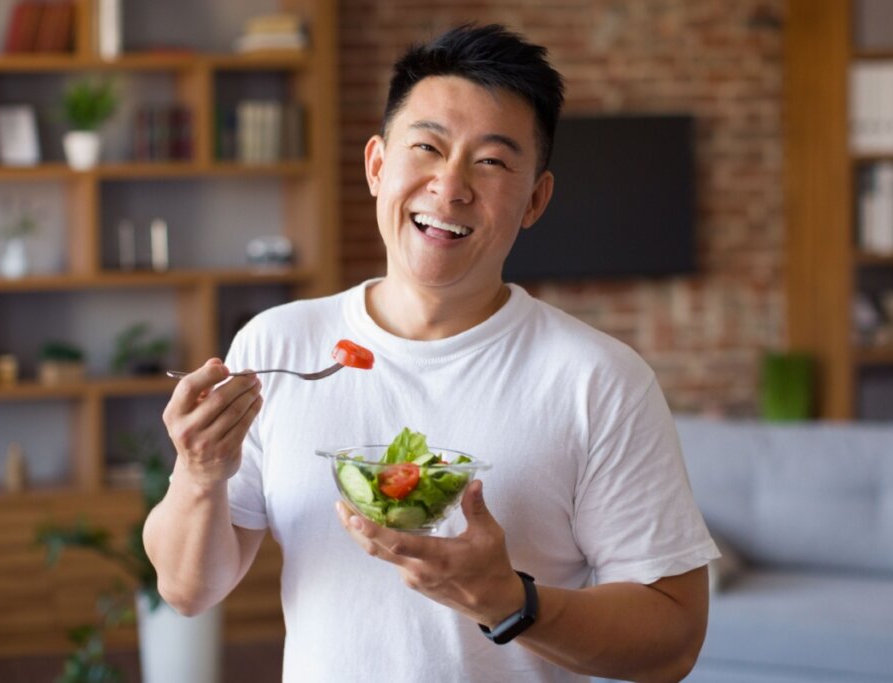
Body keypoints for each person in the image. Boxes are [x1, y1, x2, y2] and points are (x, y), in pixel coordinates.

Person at [145, 23, 719, 683]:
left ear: (535, 200)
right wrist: (198, 472)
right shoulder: (277, 344)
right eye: (427, 147)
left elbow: (673, 642)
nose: (450, 188)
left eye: (492, 161)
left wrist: (510, 601)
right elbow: (186, 589)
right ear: (376, 166)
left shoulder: (599, 380)